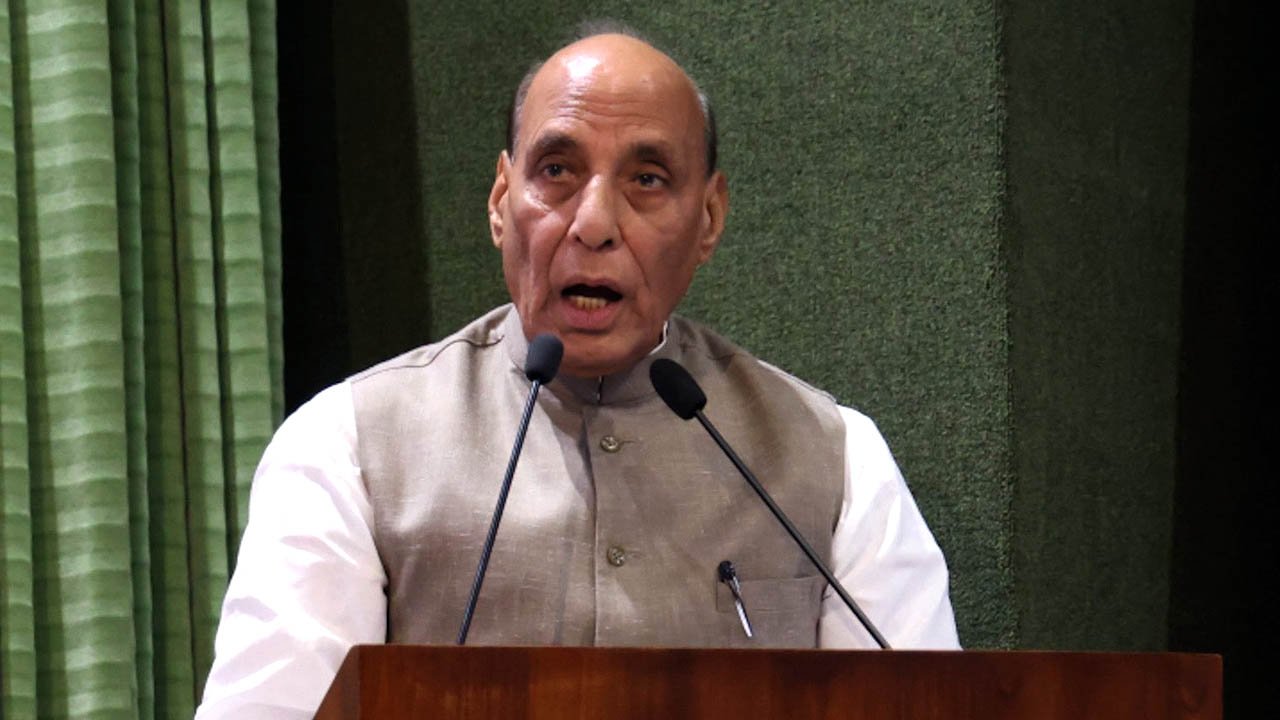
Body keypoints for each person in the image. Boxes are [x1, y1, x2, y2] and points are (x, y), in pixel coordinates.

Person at [195, 28, 958, 720]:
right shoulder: (348, 446)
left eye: (647, 179)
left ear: (709, 218)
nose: (594, 223)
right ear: (502, 201)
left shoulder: (835, 457)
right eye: (557, 170)